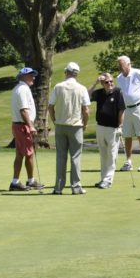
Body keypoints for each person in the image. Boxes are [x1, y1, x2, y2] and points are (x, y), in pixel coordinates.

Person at [48, 62, 91, 195]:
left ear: (66, 72)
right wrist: (85, 123)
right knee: (75, 157)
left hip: (60, 126)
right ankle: (76, 187)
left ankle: (58, 188)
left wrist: (55, 120)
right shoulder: (82, 88)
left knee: (61, 157)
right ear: (76, 74)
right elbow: (86, 110)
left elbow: (50, 106)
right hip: (76, 126)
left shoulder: (58, 86)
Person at [116, 55, 140, 172]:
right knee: (127, 135)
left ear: (128, 64)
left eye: (121, 65)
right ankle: (128, 162)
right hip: (127, 109)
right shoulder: (119, 78)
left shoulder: (137, 73)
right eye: (119, 65)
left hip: (139, 107)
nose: (120, 67)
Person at [88, 72, 125, 189]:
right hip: (100, 127)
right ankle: (103, 179)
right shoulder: (99, 93)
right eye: (106, 82)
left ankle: (108, 180)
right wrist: (95, 82)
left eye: (111, 81)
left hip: (113, 128)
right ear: (102, 84)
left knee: (112, 155)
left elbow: (121, 110)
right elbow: (86, 96)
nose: (109, 84)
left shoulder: (118, 92)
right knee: (103, 154)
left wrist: (120, 126)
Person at [10, 67, 43, 191]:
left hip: (19, 125)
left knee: (20, 154)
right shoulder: (23, 89)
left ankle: (17, 181)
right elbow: (24, 110)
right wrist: (31, 126)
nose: (33, 77)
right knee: (28, 154)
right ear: (23, 77)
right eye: (31, 75)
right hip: (22, 125)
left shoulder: (18, 88)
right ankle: (29, 181)